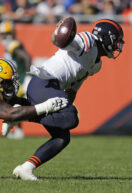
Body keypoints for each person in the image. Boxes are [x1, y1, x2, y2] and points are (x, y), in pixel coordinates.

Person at [7, 18, 125, 181]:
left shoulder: (97, 65)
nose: (118, 45)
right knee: (71, 118)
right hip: (44, 83)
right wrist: (62, 35)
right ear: (106, 37)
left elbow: (73, 88)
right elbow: (64, 41)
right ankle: (18, 114)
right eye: (117, 40)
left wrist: (68, 104)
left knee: (62, 138)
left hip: (52, 89)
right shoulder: (87, 41)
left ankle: (26, 168)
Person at [0, 20, 31, 139]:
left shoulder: (13, 45)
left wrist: (28, 77)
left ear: (9, 34)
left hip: (21, 80)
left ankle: (18, 130)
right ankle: (18, 130)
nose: (1, 37)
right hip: (18, 80)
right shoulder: (10, 46)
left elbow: (27, 57)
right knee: (14, 105)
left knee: (13, 105)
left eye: (3, 34)